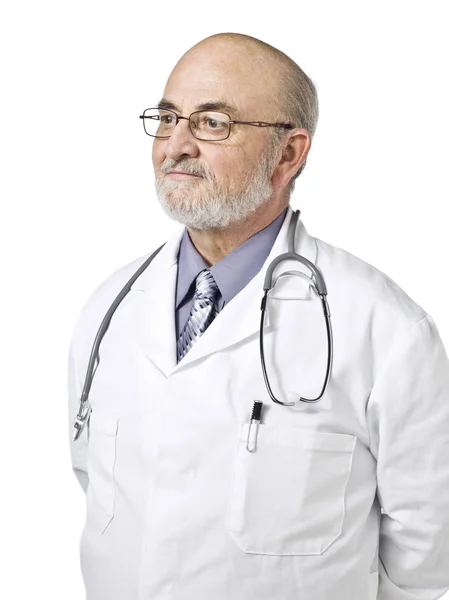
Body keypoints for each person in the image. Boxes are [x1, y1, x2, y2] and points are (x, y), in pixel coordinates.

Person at [67, 32, 449, 600]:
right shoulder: (112, 306)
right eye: (169, 117)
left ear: (289, 153)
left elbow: (425, 556)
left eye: (212, 122)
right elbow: (94, 480)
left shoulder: (384, 328)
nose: (176, 144)